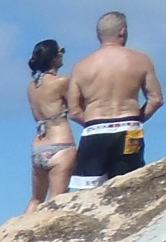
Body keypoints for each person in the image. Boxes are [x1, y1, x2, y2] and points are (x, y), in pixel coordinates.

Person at [67, 12, 161, 190]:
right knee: (128, 188)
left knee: (89, 192)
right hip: (129, 130)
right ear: (123, 32)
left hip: (95, 130)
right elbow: (156, 99)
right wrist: (137, 119)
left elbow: (74, 111)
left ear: (98, 35)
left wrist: (92, 122)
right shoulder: (141, 60)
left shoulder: (81, 67)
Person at [25, 39, 76, 210]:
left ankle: (22, 231)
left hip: (39, 145)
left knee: (36, 200)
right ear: (54, 58)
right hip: (60, 143)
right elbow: (77, 107)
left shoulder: (31, 87)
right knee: (57, 201)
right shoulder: (62, 82)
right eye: (61, 52)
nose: (62, 55)